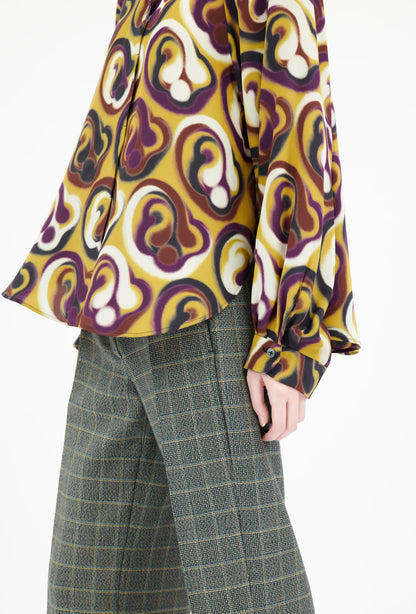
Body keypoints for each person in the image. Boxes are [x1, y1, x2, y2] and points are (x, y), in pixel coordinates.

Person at [2, 0, 361, 612]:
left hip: (207, 304)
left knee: (247, 593)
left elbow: (299, 127)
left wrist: (290, 335)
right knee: (84, 592)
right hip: (111, 302)